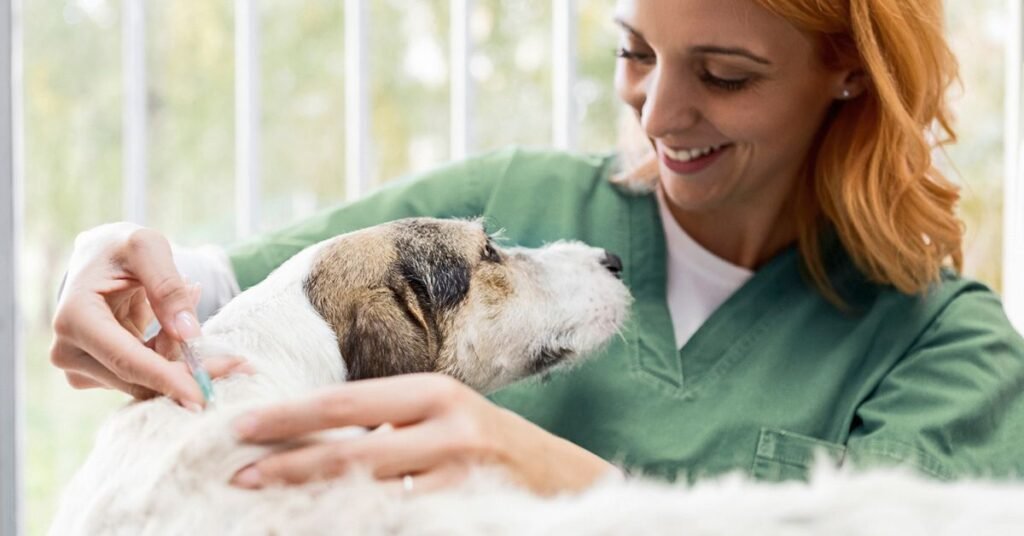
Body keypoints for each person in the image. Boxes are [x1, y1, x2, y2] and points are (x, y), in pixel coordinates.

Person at [50, 0, 1024, 495]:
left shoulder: (950, 355)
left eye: (723, 75)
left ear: (848, 72)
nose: (659, 111)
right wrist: (121, 265)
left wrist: (549, 468)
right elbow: (233, 291)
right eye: (635, 52)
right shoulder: (507, 201)